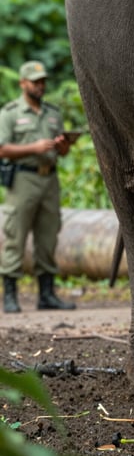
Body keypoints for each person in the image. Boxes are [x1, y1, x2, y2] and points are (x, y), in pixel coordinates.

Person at [0, 60, 76, 313]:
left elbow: (62, 152)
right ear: (23, 83)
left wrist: (64, 147)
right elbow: (2, 149)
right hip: (23, 179)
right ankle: (10, 295)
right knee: (15, 236)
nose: (40, 86)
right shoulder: (10, 113)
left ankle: (46, 295)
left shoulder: (53, 113)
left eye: (43, 81)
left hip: (49, 179)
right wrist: (32, 148)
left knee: (48, 235)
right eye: (35, 82)